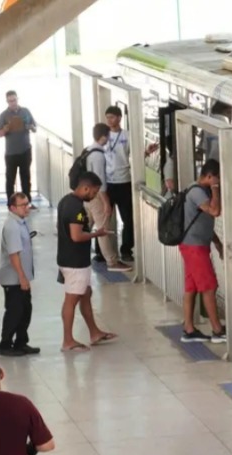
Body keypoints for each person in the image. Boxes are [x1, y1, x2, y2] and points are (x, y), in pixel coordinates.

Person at [57, 171, 118, 351]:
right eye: (94, 191)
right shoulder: (76, 208)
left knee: (86, 294)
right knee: (71, 299)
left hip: (68, 258)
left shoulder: (65, 201)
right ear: (85, 188)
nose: (95, 195)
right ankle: (68, 340)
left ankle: (94, 332)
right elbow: (76, 236)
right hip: (75, 262)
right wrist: (97, 234)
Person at [103, 105, 158, 262]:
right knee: (104, 217)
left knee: (128, 218)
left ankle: (126, 249)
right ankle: (102, 251)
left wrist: (147, 152)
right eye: (107, 117)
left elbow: (134, 154)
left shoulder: (127, 135)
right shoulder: (103, 136)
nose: (109, 120)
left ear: (119, 118)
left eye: (112, 117)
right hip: (108, 182)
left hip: (124, 181)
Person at [179, 159, 226, 343]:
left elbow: (204, 223)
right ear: (209, 176)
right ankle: (217, 330)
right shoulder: (198, 192)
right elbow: (214, 211)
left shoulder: (197, 190)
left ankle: (189, 329)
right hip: (194, 247)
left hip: (195, 245)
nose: (220, 181)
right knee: (209, 287)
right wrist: (215, 189)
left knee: (191, 288)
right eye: (217, 178)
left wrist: (217, 242)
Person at [0, 193, 40, 357]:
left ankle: (21, 342)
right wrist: (22, 277)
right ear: (12, 208)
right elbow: (14, 255)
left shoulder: (21, 222)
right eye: (23, 205)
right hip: (13, 278)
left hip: (22, 276)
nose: (27, 207)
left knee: (25, 310)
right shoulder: (12, 226)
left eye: (27, 204)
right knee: (14, 311)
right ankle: (5, 344)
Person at [85, 123, 131, 272]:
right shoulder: (98, 155)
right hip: (96, 196)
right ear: (104, 136)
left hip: (87, 195)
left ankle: (78, 252)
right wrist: (106, 203)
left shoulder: (88, 150)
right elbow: (101, 182)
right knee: (102, 229)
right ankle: (112, 262)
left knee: (87, 226)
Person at [0, 90, 37, 207]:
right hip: (11, 153)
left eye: (14, 100)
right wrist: (5, 129)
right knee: (10, 179)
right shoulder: (3, 115)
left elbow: (35, 128)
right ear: (7, 101)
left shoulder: (25, 111)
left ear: (17, 99)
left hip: (25, 150)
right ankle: (11, 203)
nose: (13, 103)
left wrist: (30, 126)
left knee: (26, 177)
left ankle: (27, 202)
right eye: (10, 101)